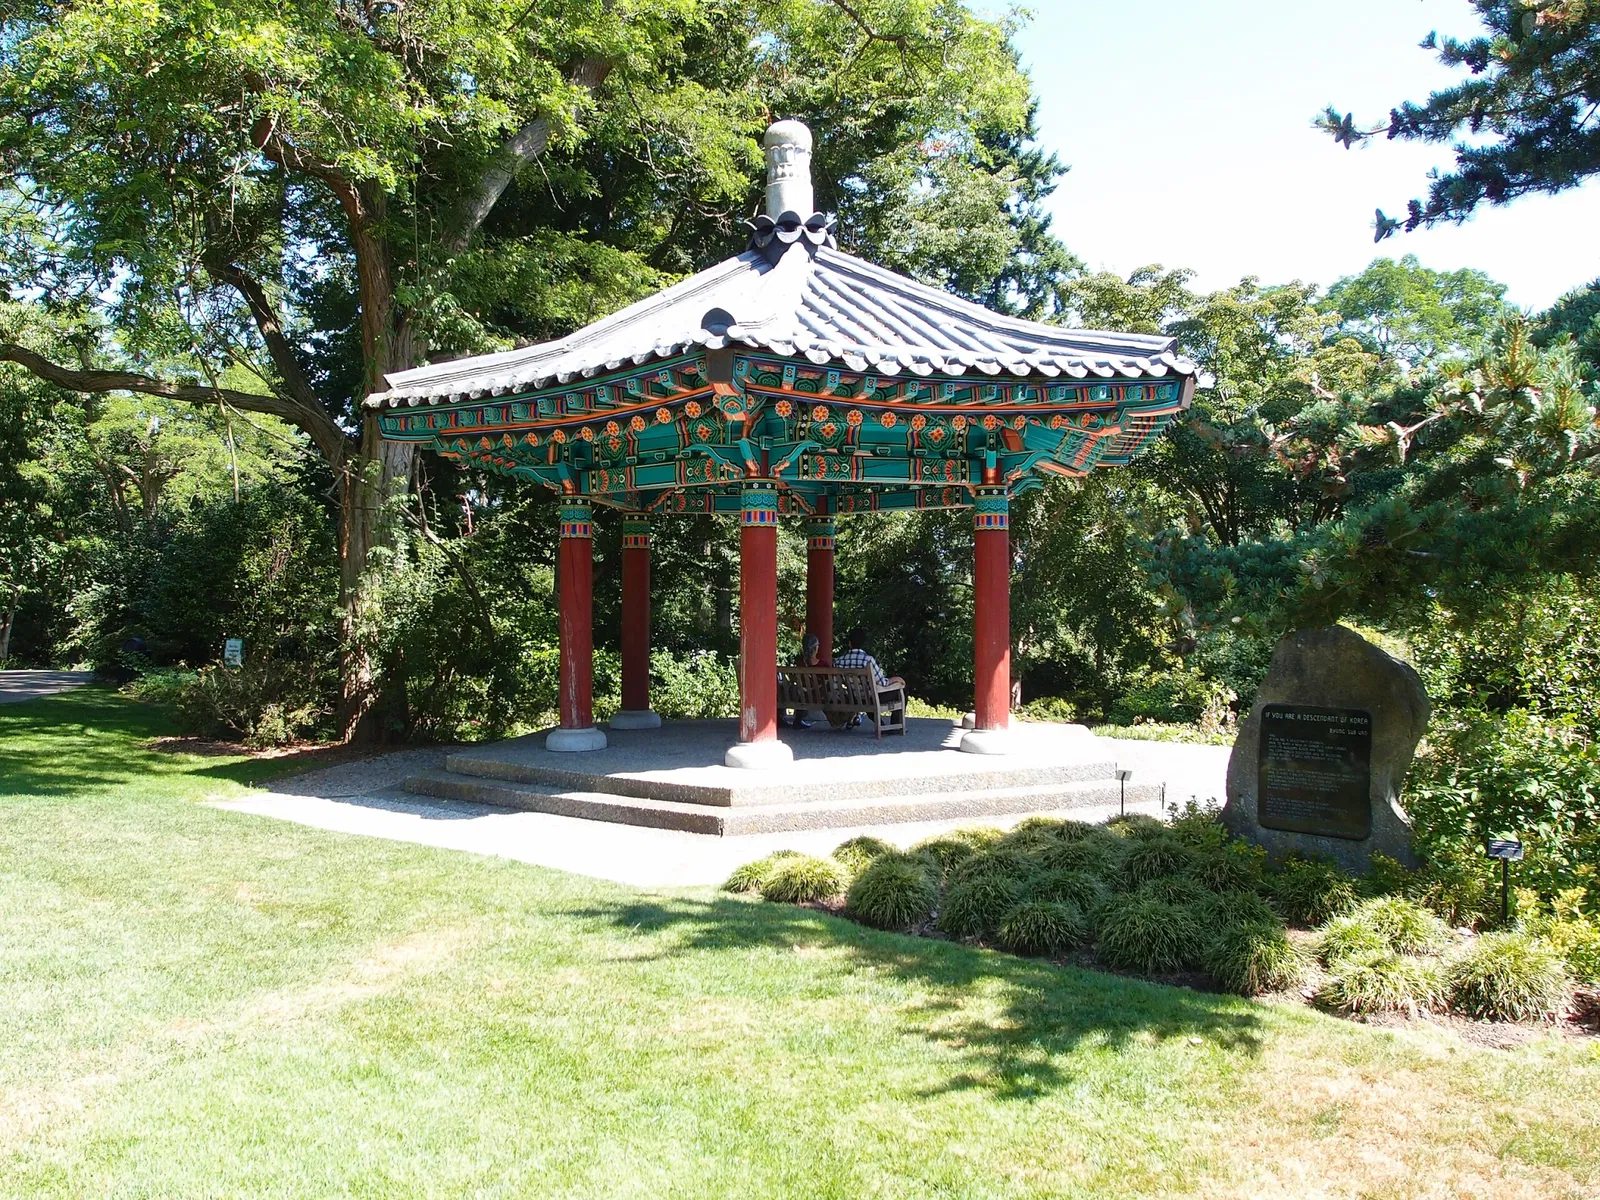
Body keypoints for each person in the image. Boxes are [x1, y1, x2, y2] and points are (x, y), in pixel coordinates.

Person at [781, 632, 822, 728]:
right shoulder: (823, 664)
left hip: (799, 694)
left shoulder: (799, 662)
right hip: (816, 696)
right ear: (815, 648)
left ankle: (790, 718)